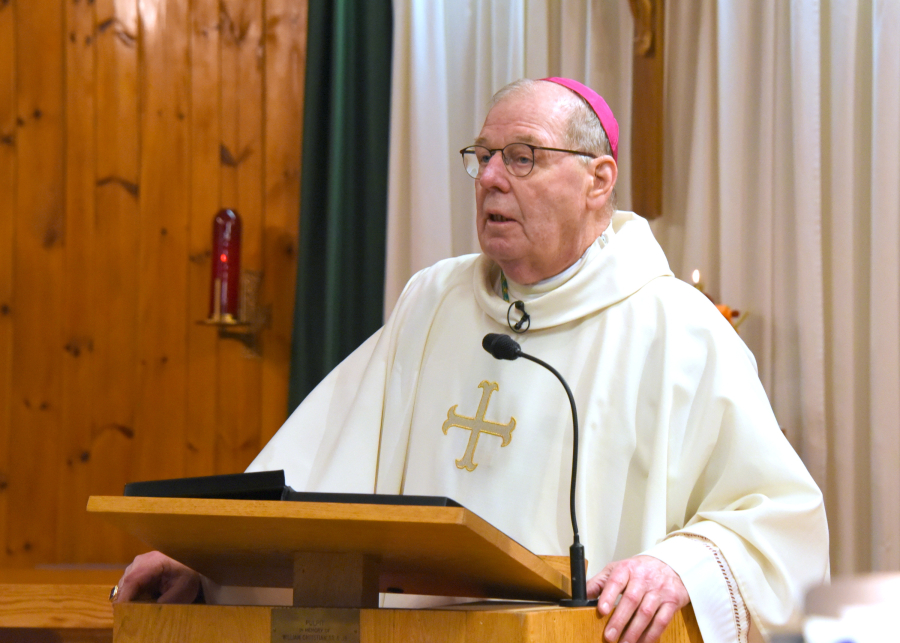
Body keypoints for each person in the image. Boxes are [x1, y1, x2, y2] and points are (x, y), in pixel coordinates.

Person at [114, 78, 829, 643]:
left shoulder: (675, 328)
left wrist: (679, 564)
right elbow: (328, 457)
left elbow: (778, 518)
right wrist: (209, 558)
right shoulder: (436, 300)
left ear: (599, 180)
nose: (490, 177)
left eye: (522, 156)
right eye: (482, 156)